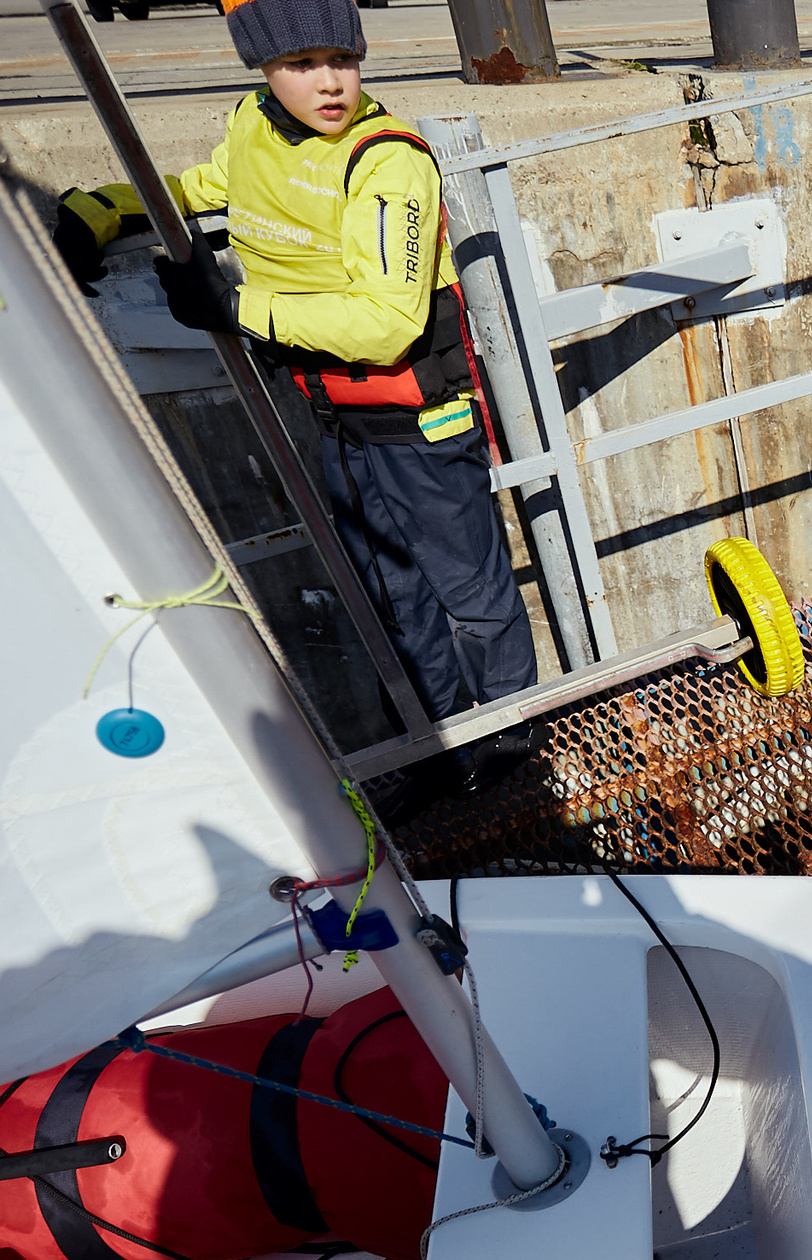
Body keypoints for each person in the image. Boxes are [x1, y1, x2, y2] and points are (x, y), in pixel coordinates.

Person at [51, 0, 539, 799]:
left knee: (474, 598)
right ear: (263, 69)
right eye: (302, 64)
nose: (330, 82)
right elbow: (204, 189)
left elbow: (386, 323)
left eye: (342, 59)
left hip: (419, 420)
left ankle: (513, 754)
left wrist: (235, 308)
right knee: (392, 602)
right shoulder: (254, 127)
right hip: (326, 417)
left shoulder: (387, 162)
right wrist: (105, 206)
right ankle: (443, 752)